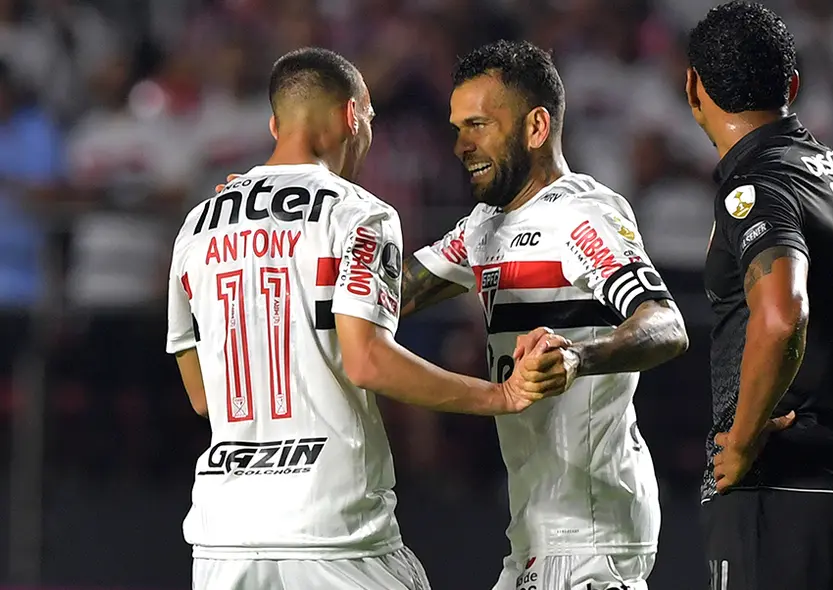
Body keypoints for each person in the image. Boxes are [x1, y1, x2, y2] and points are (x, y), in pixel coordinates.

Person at [167, 47, 567, 590]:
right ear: (352, 116)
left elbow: (202, 395)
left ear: (274, 124)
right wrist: (500, 396)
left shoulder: (197, 226)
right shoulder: (358, 213)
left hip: (223, 537)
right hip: (333, 529)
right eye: (371, 119)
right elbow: (367, 359)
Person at [399, 40, 690, 590]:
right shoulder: (483, 227)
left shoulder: (582, 216)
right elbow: (385, 296)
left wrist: (580, 357)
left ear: (536, 127)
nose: (461, 144)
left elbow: (666, 324)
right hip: (535, 533)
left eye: (479, 125)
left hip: (589, 533)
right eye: (458, 127)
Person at [684, 3, 833, 589]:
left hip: (777, 478)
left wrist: (739, 444)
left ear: (693, 88)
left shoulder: (756, 185)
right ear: (792, 85)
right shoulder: (830, 172)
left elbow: (782, 317)